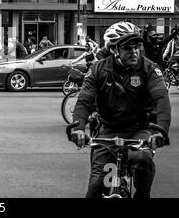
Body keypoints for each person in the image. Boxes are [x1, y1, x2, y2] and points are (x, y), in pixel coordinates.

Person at [69, 21, 171, 198]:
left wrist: (161, 131)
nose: (134, 51)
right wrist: (78, 128)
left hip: (139, 129)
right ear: (114, 49)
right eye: (127, 47)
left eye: (136, 46)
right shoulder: (98, 69)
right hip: (108, 129)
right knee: (96, 185)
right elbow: (84, 101)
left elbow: (162, 99)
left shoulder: (150, 69)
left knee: (141, 160)